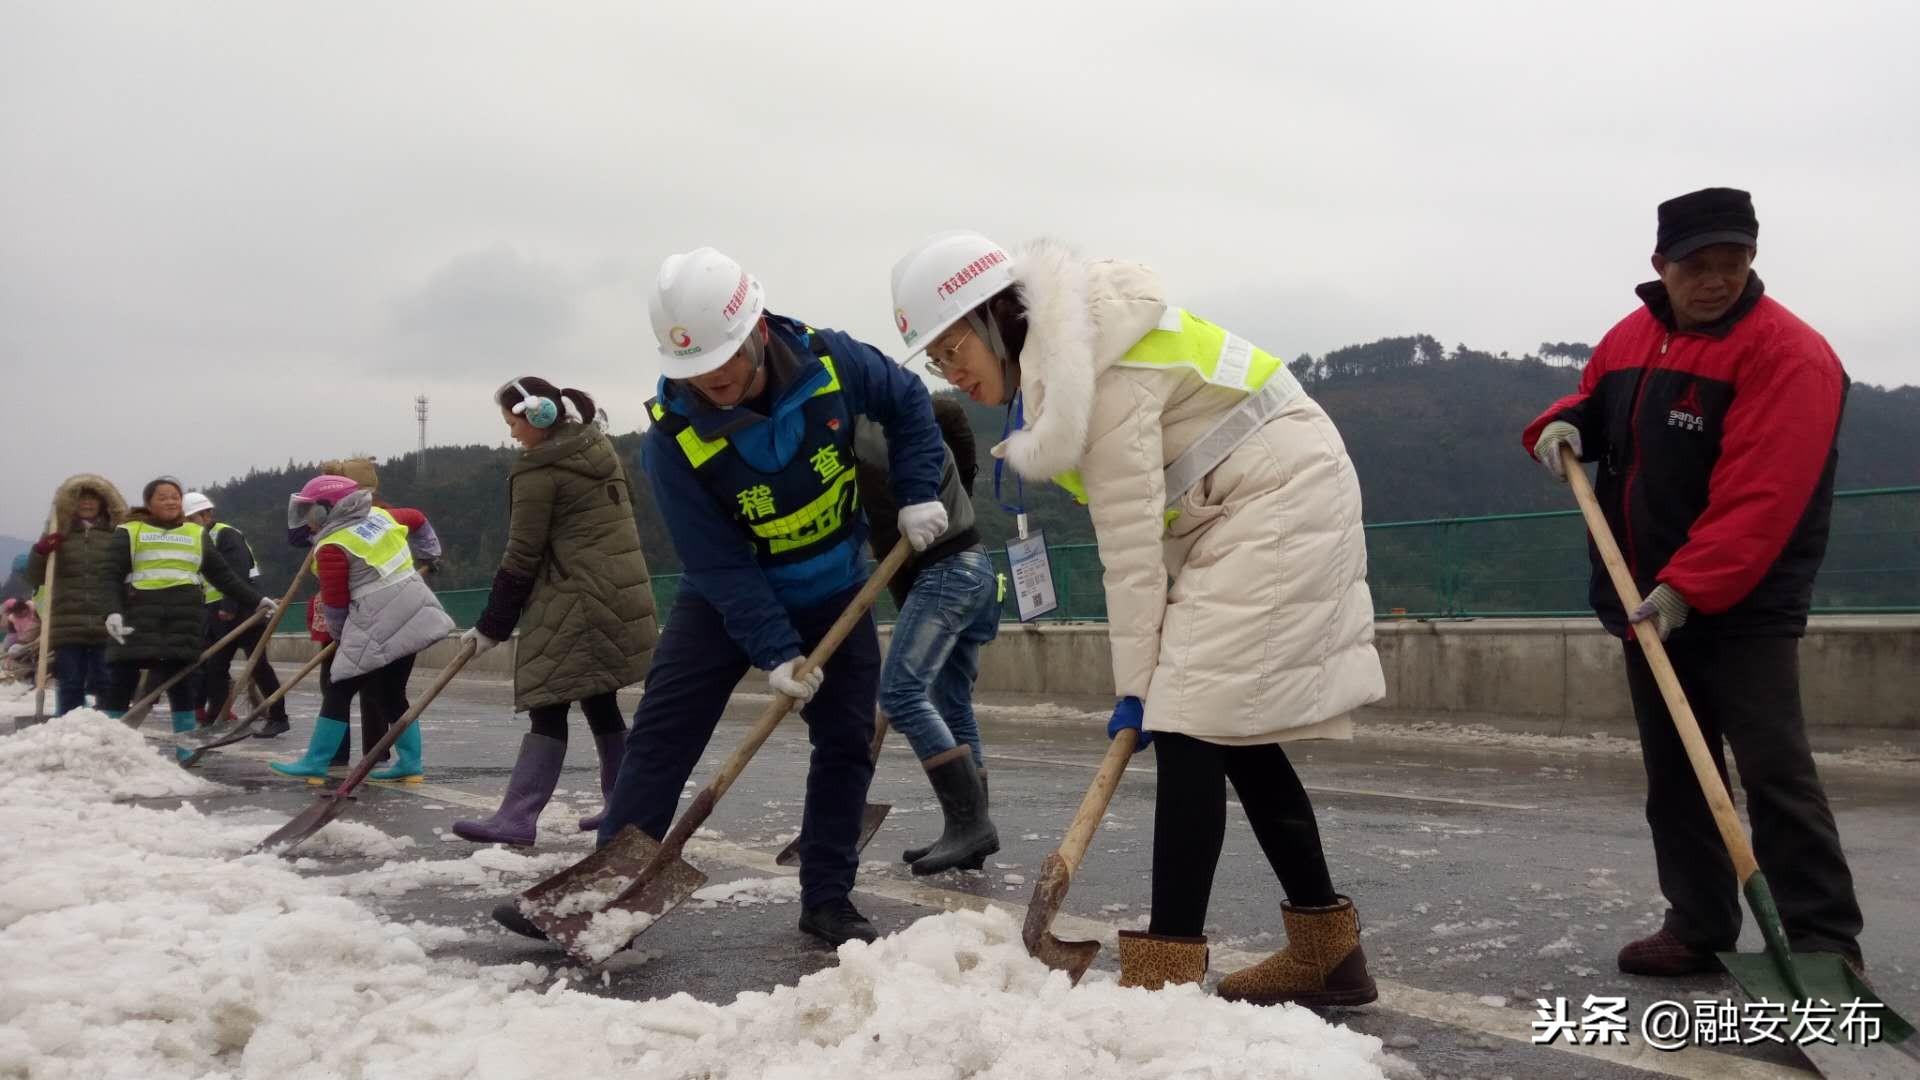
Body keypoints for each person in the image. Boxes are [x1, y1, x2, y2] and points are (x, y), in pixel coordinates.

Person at [888, 233, 1384, 1004]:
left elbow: (1128, 547)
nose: (951, 372)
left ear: (995, 321)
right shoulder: (1066, 366)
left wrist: (1138, 688)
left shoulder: (1099, 371)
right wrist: (1142, 677)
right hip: (1238, 505)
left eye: (955, 348)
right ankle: (1326, 953)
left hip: (1279, 498)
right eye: (935, 361)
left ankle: (1165, 978)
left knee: (1188, 722)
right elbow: (1143, 531)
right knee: (1232, 729)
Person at [498, 247, 948, 948]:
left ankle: (828, 898)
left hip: (835, 588)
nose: (714, 383)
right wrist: (774, 651)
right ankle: (607, 891)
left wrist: (919, 490)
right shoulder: (672, 438)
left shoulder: (836, 362)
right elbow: (717, 562)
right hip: (727, 599)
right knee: (662, 735)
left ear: (757, 331)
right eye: (695, 375)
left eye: (724, 365)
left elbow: (912, 404)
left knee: (846, 742)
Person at [1523, 187, 1863, 976]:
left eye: (1733, 262)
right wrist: (1562, 425)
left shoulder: (1789, 354)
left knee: (1774, 771)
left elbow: (1763, 496)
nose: (1716, 280)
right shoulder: (1633, 335)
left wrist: (1689, 589)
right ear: (1660, 266)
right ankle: (1699, 921)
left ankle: (1823, 944)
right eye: (1697, 265)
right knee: (1678, 772)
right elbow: (1593, 405)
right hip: (1645, 599)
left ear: (1752, 259)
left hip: (1743, 600)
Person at [449, 378, 658, 845]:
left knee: (548, 701)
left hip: (575, 600)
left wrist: (492, 625)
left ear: (537, 415)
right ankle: (624, 809)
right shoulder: (597, 452)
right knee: (598, 697)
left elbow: (521, 554)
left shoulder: (539, 471)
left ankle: (517, 818)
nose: (512, 435)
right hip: (616, 594)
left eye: (512, 423)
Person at [852, 394, 1002, 874]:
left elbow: (946, 416)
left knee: (900, 692)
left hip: (948, 571)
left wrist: (964, 482)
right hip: (968, 567)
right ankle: (970, 831)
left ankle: (970, 825)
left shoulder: (867, 429)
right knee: (950, 699)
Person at [269, 474, 453, 780]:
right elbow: (418, 519)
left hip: (375, 618)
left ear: (327, 511)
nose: (306, 521)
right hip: (415, 611)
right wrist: (429, 552)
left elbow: (336, 603)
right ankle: (410, 763)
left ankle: (316, 761)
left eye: (310, 512)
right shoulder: (381, 516)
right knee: (392, 691)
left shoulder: (332, 546)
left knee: (338, 686)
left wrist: (343, 639)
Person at [97, 477, 274, 760]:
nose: (170, 501)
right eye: (162, 497)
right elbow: (109, 576)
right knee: (121, 680)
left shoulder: (195, 534)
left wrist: (255, 599)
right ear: (149, 503)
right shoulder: (129, 532)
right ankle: (109, 750)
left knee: (182, 685)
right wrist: (112, 611)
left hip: (183, 622)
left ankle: (185, 750)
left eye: (175, 496)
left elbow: (223, 575)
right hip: (137, 617)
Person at [181, 491, 289, 735]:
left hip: (243, 610)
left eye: (191, 518)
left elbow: (236, 572)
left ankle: (278, 717)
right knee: (215, 667)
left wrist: (228, 606)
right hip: (214, 611)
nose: (187, 524)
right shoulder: (197, 538)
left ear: (206, 514)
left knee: (257, 666)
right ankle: (214, 719)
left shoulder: (225, 534)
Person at [25, 476, 128, 715]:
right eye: (82, 497)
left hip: (107, 621)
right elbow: (35, 577)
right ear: (71, 502)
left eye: (93, 498)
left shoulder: (117, 534)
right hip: (67, 624)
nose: (87, 503)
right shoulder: (58, 534)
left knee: (106, 681)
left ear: (104, 502)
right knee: (70, 682)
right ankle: (68, 730)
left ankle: (110, 729)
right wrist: (41, 552)